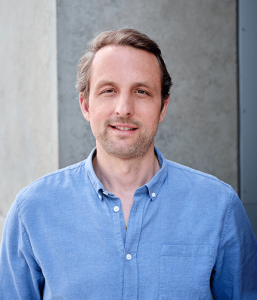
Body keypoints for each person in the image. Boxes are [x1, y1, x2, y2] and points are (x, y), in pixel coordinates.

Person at [0, 29, 256, 300]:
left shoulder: (219, 206)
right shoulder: (33, 210)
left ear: (163, 107)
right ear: (85, 105)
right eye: (109, 90)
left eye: (141, 91)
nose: (124, 108)